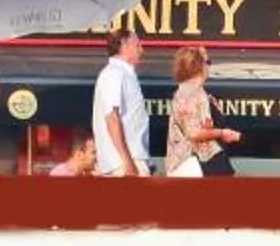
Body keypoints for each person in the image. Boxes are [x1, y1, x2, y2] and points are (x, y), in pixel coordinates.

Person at [162, 46, 242, 178]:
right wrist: (222, 133)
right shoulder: (193, 93)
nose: (209, 67)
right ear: (199, 66)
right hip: (194, 164)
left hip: (189, 162)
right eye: (208, 62)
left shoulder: (191, 92)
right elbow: (194, 133)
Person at [91, 31, 150, 177]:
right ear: (124, 45)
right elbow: (112, 118)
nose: (142, 50)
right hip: (124, 164)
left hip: (126, 162)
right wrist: (127, 162)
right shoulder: (114, 73)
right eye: (137, 45)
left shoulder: (121, 74)